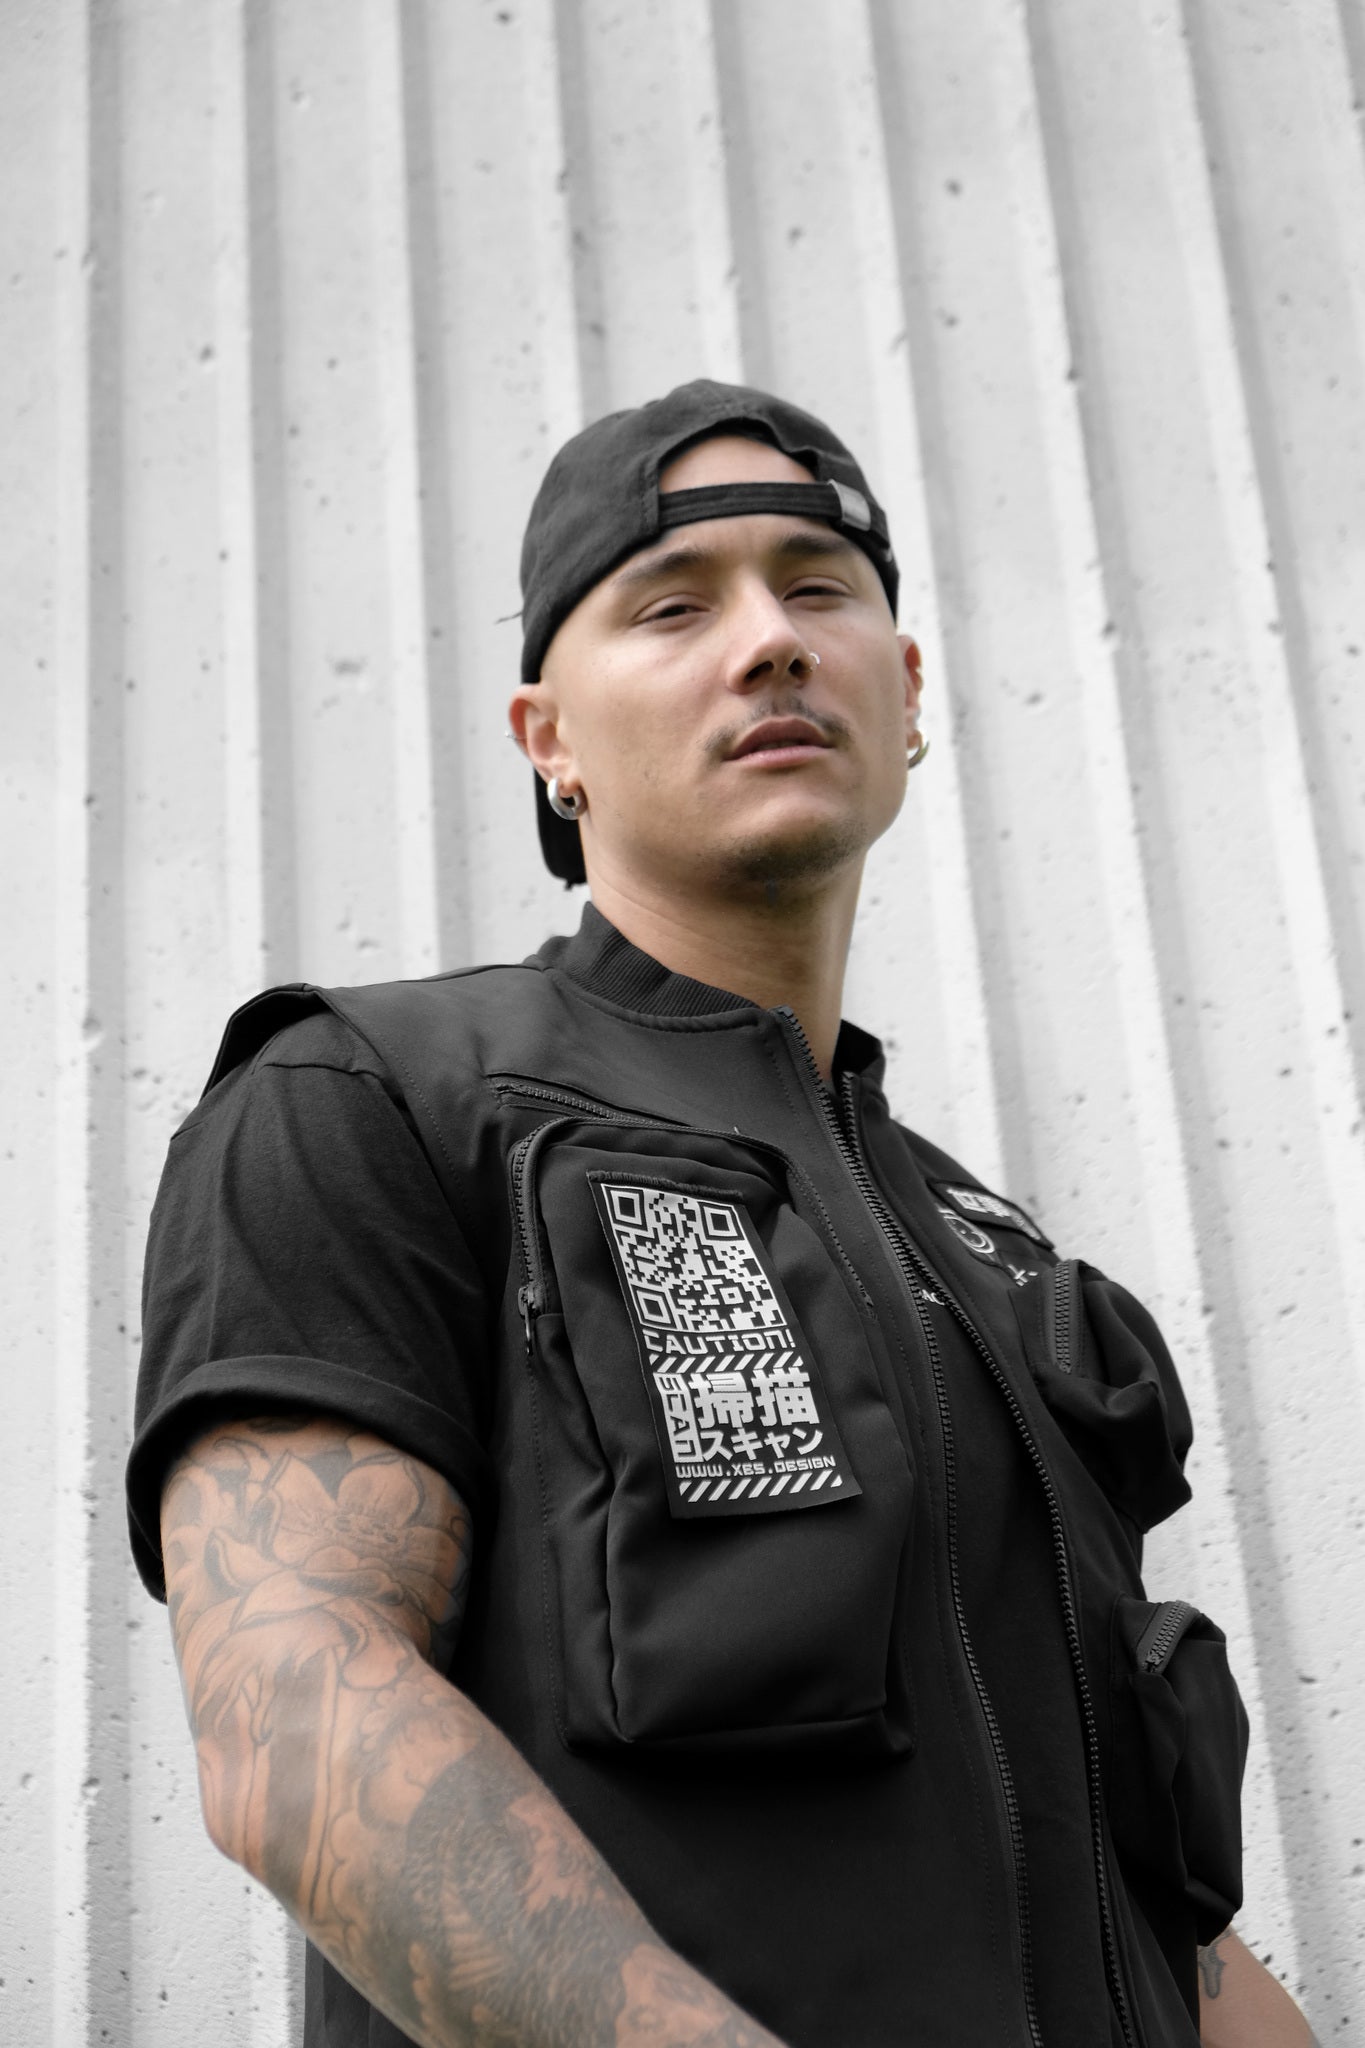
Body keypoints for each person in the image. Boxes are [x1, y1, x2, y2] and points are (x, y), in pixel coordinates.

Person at [127, 380, 1316, 2047]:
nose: (768, 643)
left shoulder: (1005, 1272)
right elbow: (294, 1715)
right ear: (548, 739)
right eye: (673, 606)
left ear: (907, 692)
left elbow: (1160, 1924)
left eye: (818, 588)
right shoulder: (377, 1096)